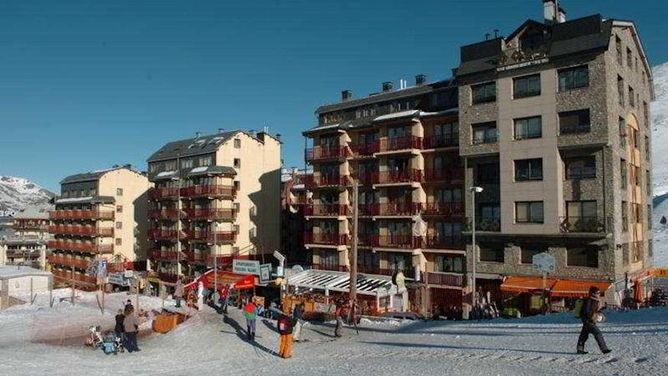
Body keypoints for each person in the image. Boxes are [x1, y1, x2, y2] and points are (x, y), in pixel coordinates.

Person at [577, 286, 612, 355]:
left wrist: (600, 314)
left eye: (599, 292)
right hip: (588, 320)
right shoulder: (589, 300)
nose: (599, 294)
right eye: (597, 293)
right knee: (597, 333)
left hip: (589, 320)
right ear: (593, 293)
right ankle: (604, 349)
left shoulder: (595, 300)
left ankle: (580, 349)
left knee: (584, 335)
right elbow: (587, 312)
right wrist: (594, 317)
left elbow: (596, 310)